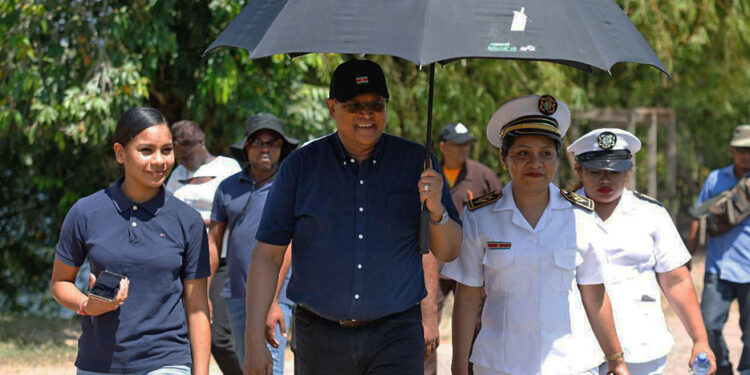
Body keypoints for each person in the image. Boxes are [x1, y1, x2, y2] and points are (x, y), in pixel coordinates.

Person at [242, 58, 463, 375]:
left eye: (376, 104)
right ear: (332, 107)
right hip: (319, 337)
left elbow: (449, 250)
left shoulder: (418, 162)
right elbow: (268, 254)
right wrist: (253, 340)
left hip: (396, 335)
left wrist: (436, 208)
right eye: (354, 104)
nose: (366, 113)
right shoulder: (301, 167)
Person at [443, 95, 629, 375]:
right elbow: (468, 297)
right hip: (499, 364)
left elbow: (594, 295)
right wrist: (459, 366)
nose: (535, 163)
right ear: (504, 159)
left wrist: (616, 359)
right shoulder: (479, 217)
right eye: (522, 153)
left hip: (571, 364)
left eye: (545, 154)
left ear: (556, 159)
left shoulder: (582, 216)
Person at [50, 107, 211, 375]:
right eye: (146, 150)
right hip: (97, 363)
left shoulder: (189, 221)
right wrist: (87, 306)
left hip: (166, 361)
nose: (159, 160)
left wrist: (201, 373)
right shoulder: (85, 212)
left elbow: (197, 309)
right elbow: (60, 283)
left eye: (167, 150)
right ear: (120, 153)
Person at [568, 128, 716, 375]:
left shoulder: (652, 214)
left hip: (639, 345)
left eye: (614, 172)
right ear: (580, 171)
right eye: (595, 172)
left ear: (628, 172)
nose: (605, 180)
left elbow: (677, 281)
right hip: (576, 348)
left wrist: (700, 340)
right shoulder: (559, 213)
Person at [209, 112, 298, 374]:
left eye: (273, 142)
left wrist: (271, 301)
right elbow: (213, 242)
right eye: (258, 142)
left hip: (276, 295)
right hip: (237, 292)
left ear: (282, 148)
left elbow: (291, 244)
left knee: (270, 366)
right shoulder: (227, 187)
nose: (265, 148)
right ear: (246, 147)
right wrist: (202, 293)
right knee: (248, 365)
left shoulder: (290, 186)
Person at [424, 122, 502, 374]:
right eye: (457, 145)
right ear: (443, 146)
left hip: (471, 264)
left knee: (475, 325)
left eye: (467, 144)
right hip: (434, 261)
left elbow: (501, 216)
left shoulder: (482, 175)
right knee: (425, 326)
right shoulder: (428, 174)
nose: (463, 149)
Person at [167, 120, 243, 375]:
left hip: (221, 262)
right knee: (187, 334)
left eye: (187, 155)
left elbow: (239, 210)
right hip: (183, 263)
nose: (183, 162)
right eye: (179, 157)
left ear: (201, 144)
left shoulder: (227, 167)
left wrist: (201, 221)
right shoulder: (176, 173)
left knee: (219, 336)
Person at [687, 124, 750, 375]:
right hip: (719, 268)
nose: (745, 154)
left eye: (749, 149)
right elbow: (698, 215)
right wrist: (684, 256)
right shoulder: (715, 178)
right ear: (731, 151)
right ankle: (722, 368)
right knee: (708, 327)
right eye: (740, 149)